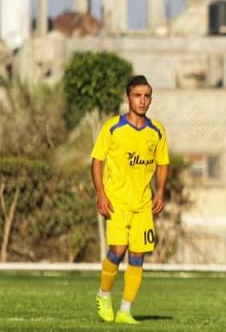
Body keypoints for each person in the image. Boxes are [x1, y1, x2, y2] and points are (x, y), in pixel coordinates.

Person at [92, 75, 170, 324]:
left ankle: (125, 311)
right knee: (117, 251)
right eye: (137, 95)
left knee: (138, 256)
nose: (142, 100)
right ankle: (104, 294)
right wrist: (101, 194)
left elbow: (163, 163)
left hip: (143, 204)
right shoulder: (113, 127)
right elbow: (97, 161)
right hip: (117, 202)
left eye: (147, 96)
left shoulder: (157, 131)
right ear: (128, 98)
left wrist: (160, 191)